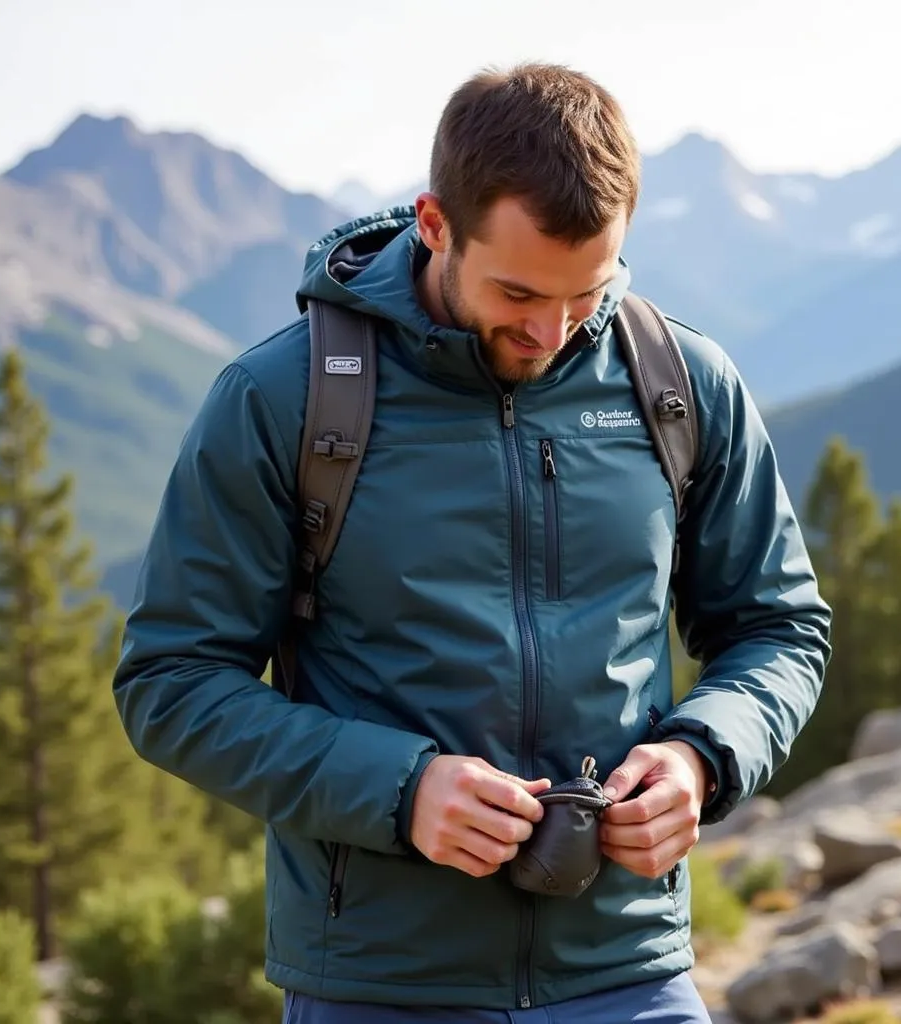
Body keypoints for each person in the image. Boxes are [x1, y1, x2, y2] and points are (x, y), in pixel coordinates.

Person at [112, 62, 831, 1023]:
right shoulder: (285, 400)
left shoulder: (680, 381)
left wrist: (704, 755)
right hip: (379, 982)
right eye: (520, 294)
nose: (551, 332)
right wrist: (400, 790)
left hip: (629, 971)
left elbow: (779, 628)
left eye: (589, 294)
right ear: (435, 224)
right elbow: (171, 683)